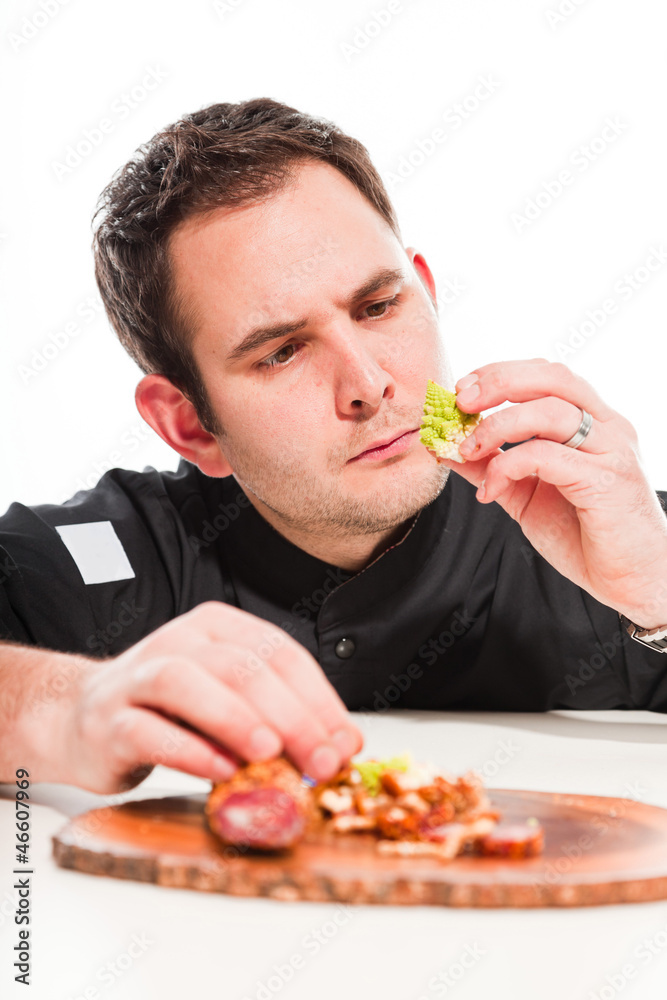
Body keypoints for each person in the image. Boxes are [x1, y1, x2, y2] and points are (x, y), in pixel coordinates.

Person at [2, 98, 666, 796]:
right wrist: (66, 709)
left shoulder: (605, 531)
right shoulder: (108, 554)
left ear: (427, 296)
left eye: (379, 307)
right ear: (189, 424)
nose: (369, 384)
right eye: (283, 351)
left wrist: (659, 593)